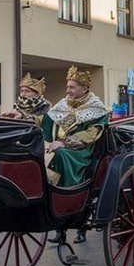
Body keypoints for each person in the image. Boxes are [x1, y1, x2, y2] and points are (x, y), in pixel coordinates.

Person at [42, 66, 109, 244]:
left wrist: (64, 142)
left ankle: (65, 203)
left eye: (72, 87)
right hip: (57, 146)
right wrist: (23, 116)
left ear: (84, 88)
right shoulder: (62, 105)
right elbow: (44, 120)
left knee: (60, 154)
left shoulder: (97, 109)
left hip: (81, 151)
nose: (67, 91)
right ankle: (47, 200)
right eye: (67, 87)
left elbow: (90, 135)